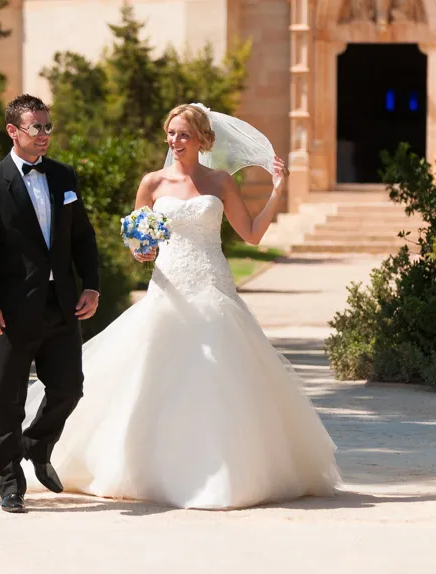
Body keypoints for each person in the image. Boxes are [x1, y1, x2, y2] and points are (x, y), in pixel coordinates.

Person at [21, 104, 341, 510]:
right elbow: (141, 245)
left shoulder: (221, 181)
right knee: (151, 378)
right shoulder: (152, 183)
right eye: (171, 133)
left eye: (184, 134)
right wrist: (141, 250)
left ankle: (223, 472)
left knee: (221, 380)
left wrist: (278, 189)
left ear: (203, 139)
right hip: (168, 291)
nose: (175, 141)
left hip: (213, 289)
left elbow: (253, 235)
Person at [0, 94, 101, 513]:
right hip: (11, 309)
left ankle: (36, 444)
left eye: (48, 126)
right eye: (35, 127)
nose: (44, 135)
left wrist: (92, 286)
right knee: (7, 398)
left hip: (61, 305)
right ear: (13, 131)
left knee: (69, 388)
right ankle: (10, 483)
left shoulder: (63, 177)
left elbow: (82, 238)